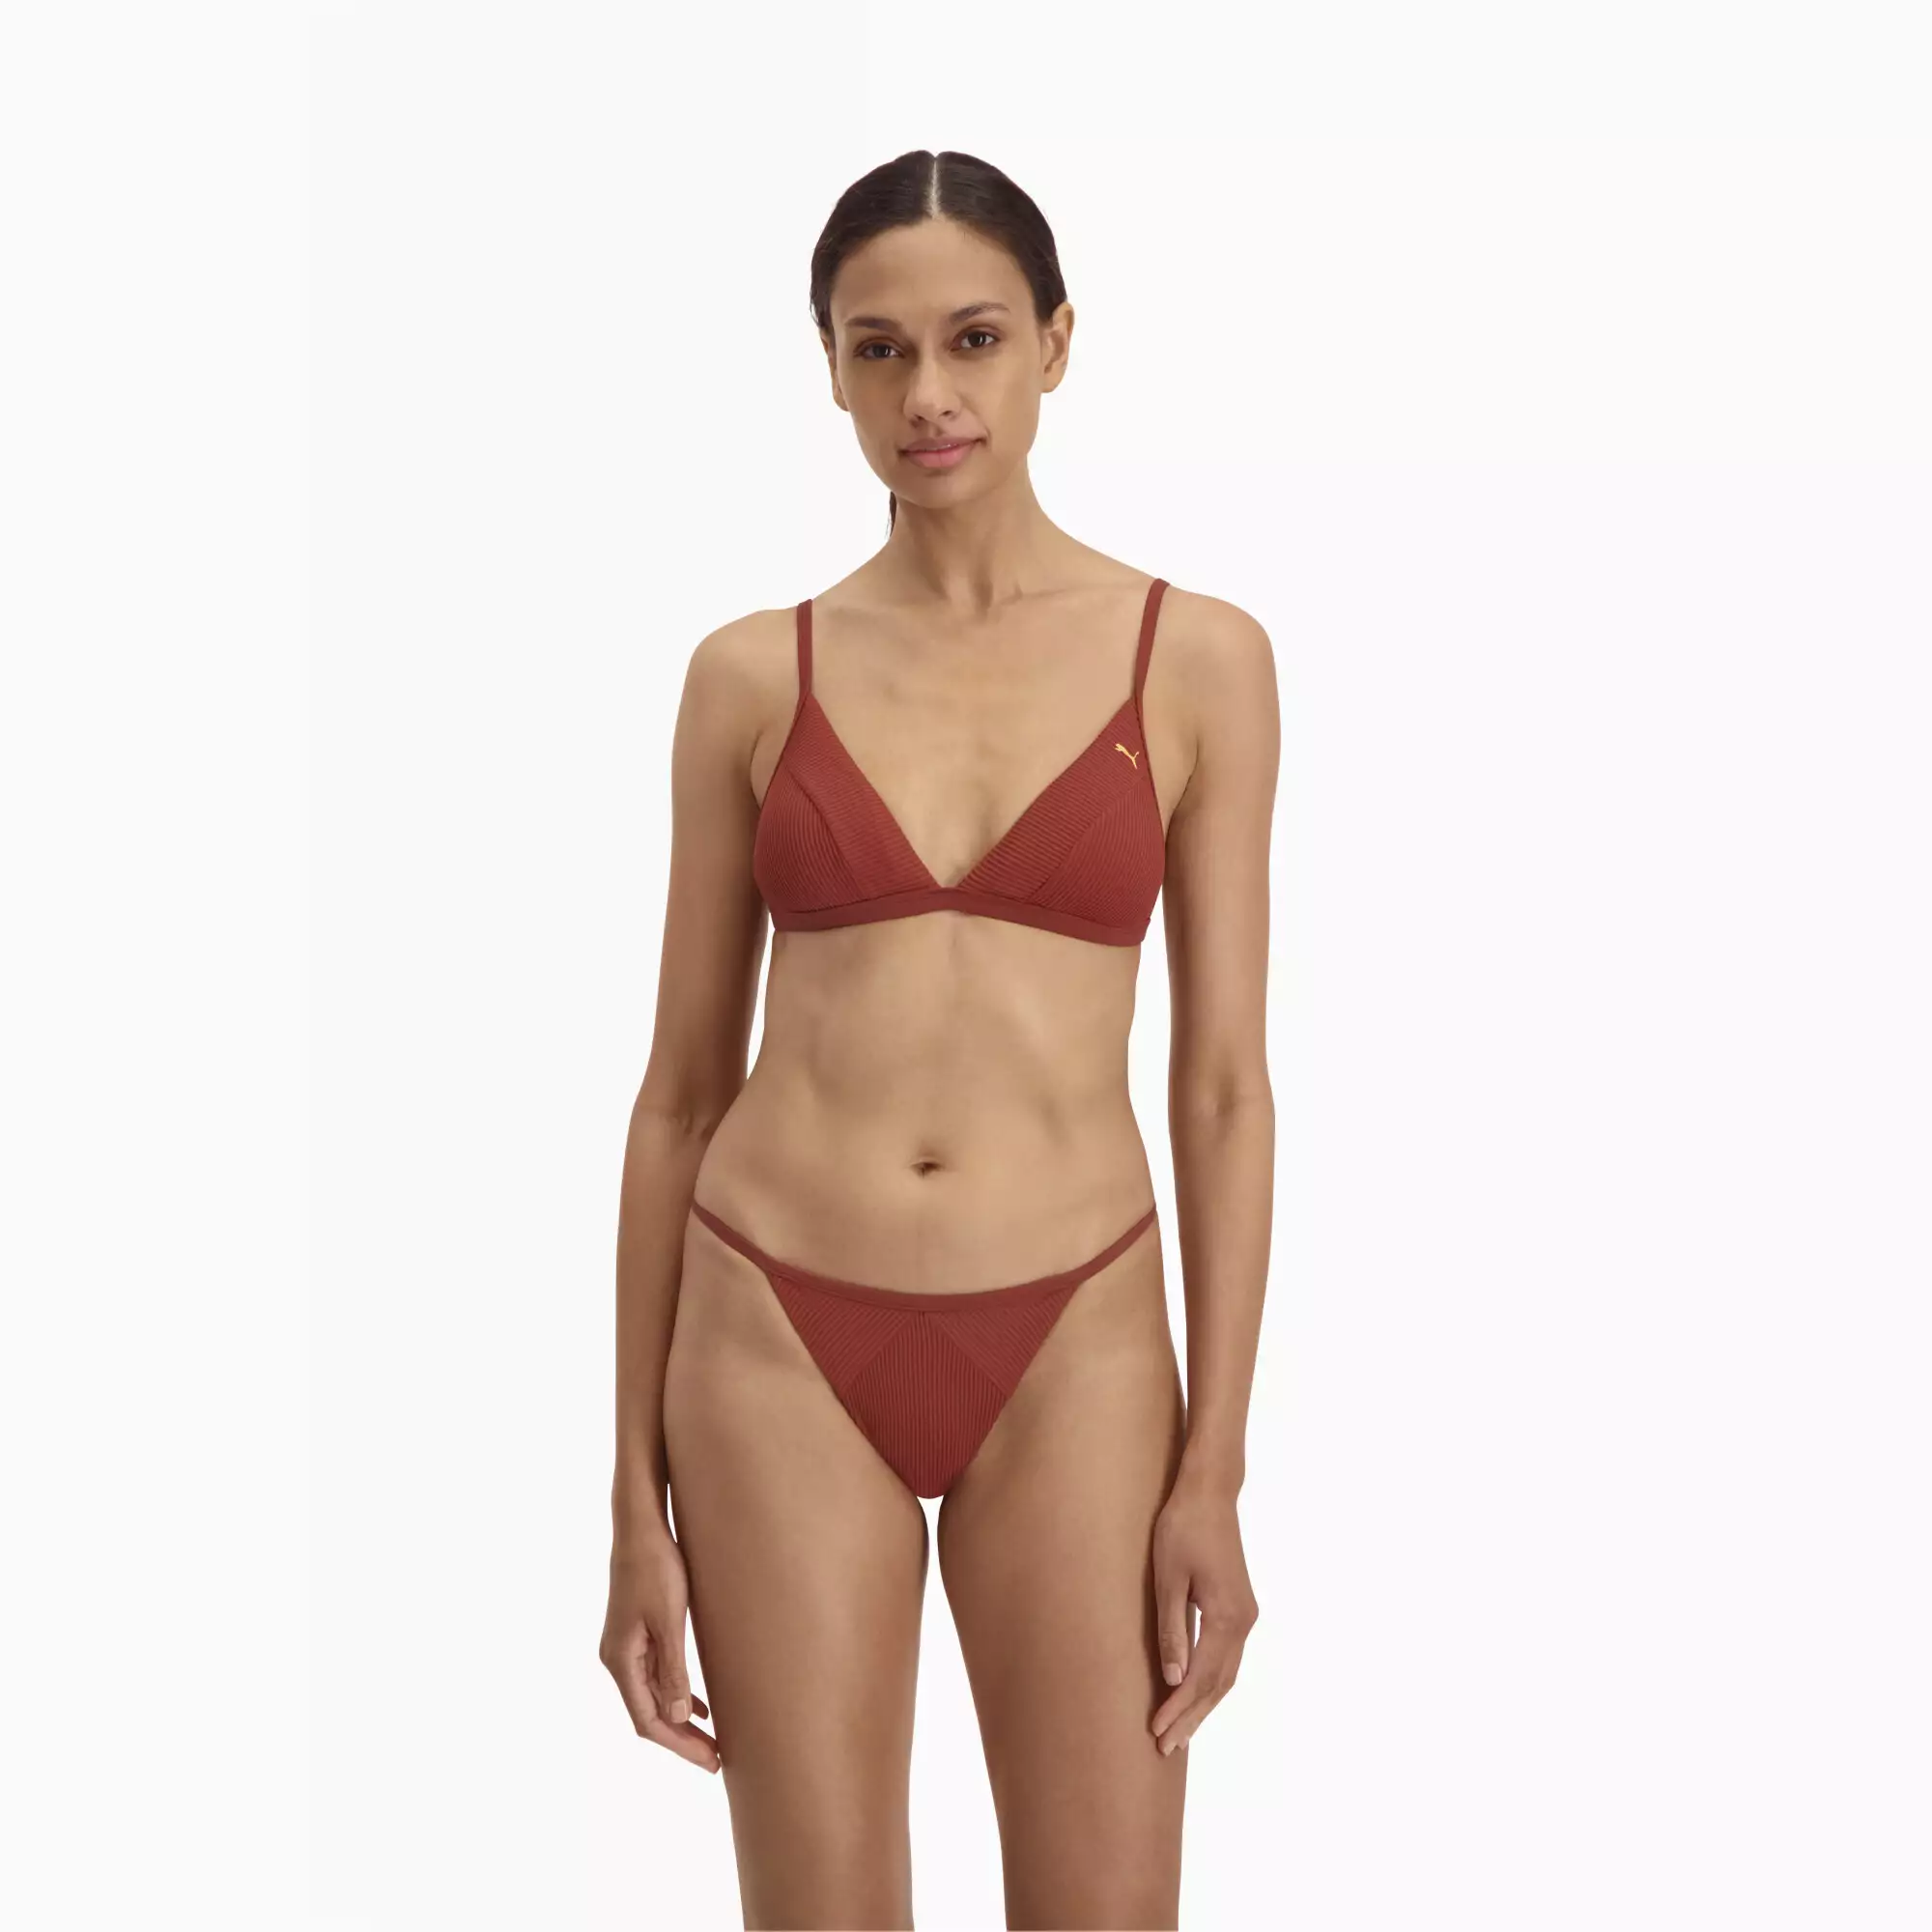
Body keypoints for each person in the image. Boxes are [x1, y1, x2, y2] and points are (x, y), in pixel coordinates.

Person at [600, 147, 1277, 1930]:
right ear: (828, 367)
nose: (928, 395)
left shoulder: (1196, 660)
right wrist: (630, 1502)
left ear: (1055, 342)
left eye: (973, 338)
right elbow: (677, 1096)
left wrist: (1216, 1466)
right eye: (878, 349)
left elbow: (1223, 1089)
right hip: (772, 1333)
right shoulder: (753, 676)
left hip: (1077, 1336)